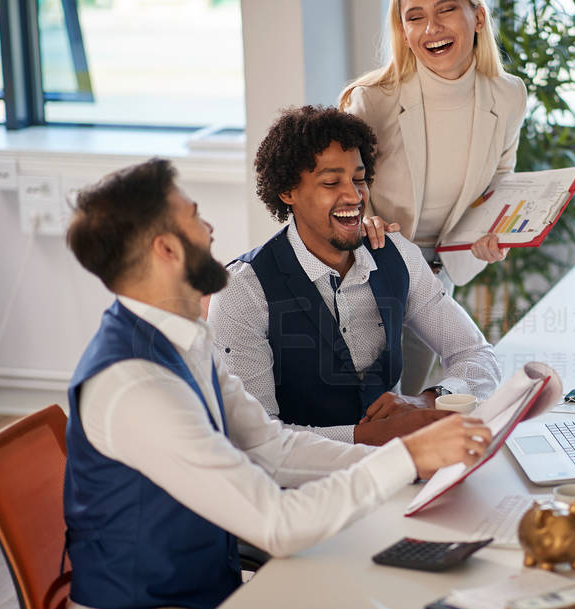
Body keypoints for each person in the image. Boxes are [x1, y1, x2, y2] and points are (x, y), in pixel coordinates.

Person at [61, 158, 489, 609]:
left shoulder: (182, 338)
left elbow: (272, 447)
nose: (210, 228)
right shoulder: (138, 388)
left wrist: (406, 465)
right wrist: (404, 458)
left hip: (207, 604)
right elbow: (276, 525)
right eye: (195, 216)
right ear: (167, 250)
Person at [208, 106, 501, 446]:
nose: (354, 195)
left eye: (359, 179)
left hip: (405, 468)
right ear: (287, 192)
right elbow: (254, 439)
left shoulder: (398, 255)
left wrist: (429, 399)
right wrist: (368, 436)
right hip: (305, 488)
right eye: (331, 182)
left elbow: (477, 355)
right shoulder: (243, 291)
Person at [339, 0, 527, 393]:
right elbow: (341, 183)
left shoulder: (508, 95)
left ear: (477, 17)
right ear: (403, 32)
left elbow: (500, 179)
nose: (431, 28)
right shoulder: (373, 99)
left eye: (445, 9)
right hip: (370, 265)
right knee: (370, 407)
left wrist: (493, 232)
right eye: (416, 16)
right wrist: (362, 219)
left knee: (409, 402)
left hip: (439, 272)